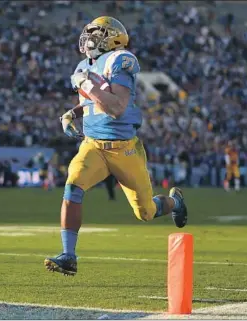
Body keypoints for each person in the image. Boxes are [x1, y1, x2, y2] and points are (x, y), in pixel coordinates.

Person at [44, 16, 188, 276]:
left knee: (145, 212)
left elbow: (116, 108)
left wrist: (86, 84)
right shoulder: (83, 65)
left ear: (112, 38)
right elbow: (92, 103)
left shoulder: (120, 60)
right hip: (94, 146)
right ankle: (69, 255)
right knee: (72, 186)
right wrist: (71, 113)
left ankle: (175, 203)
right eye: (89, 33)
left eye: (96, 33)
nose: (89, 38)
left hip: (124, 149)